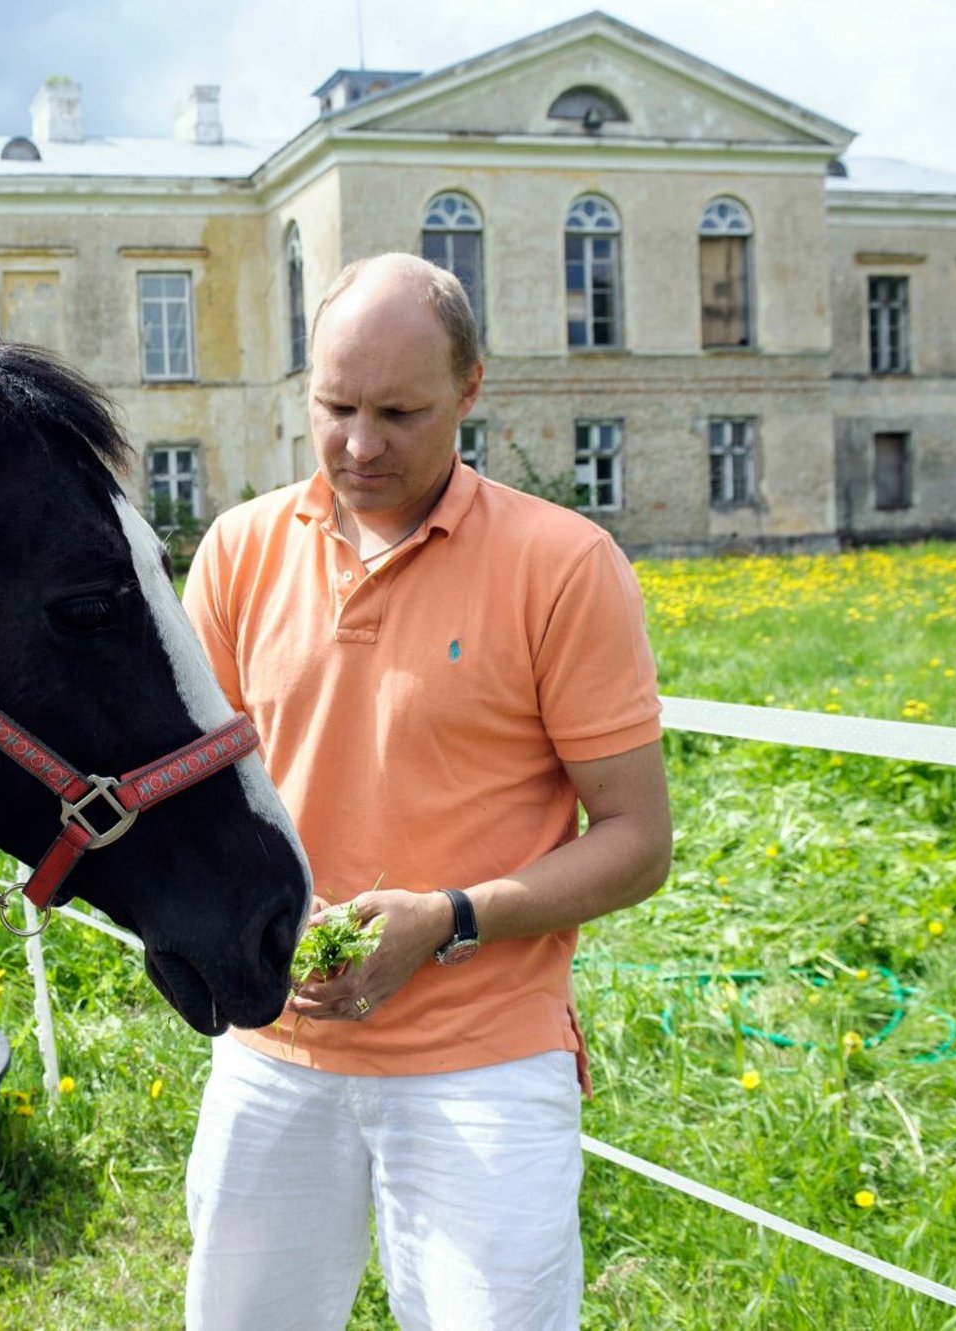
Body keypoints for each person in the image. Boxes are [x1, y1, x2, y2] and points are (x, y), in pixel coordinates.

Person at [180, 253, 673, 1330]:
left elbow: (636, 840)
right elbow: (196, 803)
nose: (360, 445)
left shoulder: (563, 563)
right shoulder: (234, 552)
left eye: (399, 411)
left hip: (482, 1057)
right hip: (271, 1048)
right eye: (335, 405)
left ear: (470, 388)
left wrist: (448, 918)